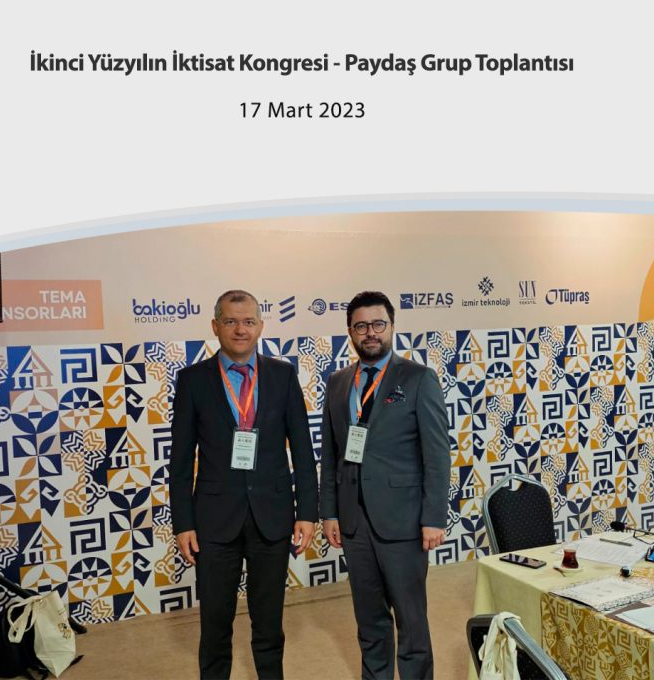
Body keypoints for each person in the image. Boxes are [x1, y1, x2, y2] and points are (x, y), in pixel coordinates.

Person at [169, 289, 318, 680]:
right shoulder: (193, 380)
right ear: (215, 326)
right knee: (215, 627)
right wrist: (183, 522)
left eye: (249, 321)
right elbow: (180, 461)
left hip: (273, 516)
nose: (240, 330)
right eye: (231, 321)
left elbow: (303, 450)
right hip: (213, 521)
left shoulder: (283, 375)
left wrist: (307, 513)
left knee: (269, 625)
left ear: (261, 326)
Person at [320, 290, 451, 680]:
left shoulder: (418, 378)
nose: (370, 333)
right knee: (369, 622)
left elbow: (437, 454)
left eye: (378, 324)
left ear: (392, 327)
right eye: (361, 326)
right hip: (354, 523)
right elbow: (331, 453)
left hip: (404, 522)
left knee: (411, 624)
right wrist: (329, 512)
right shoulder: (338, 382)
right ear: (350, 332)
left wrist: (433, 518)